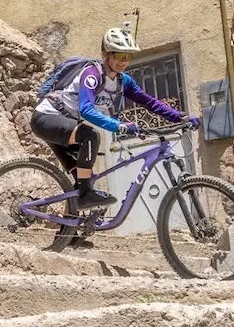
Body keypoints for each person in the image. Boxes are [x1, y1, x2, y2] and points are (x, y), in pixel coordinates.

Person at [31, 28, 199, 209]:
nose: (123, 61)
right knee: (90, 136)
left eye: (128, 56)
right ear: (106, 54)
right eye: (119, 55)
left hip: (66, 124)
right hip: (46, 118)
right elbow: (86, 110)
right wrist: (118, 126)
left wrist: (178, 117)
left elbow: (149, 102)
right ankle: (85, 195)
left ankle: (72, 218)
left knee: (83, 176)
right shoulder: (92, 75)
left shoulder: (123, 81)